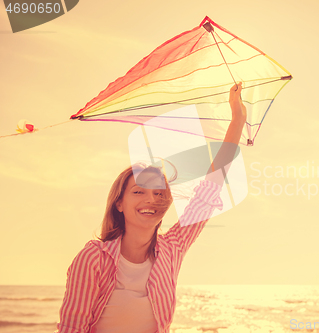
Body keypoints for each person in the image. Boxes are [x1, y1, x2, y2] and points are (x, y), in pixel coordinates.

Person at [55, 83, 247, 333]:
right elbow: (71, 328)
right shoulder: (93, 259)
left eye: (159, 193)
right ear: (119, 203)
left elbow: (211, 187)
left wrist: (238, 120)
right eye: (138, 192)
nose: (151, 200)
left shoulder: (173, 248)